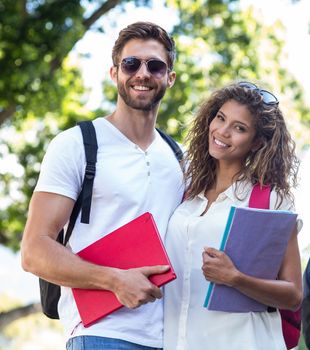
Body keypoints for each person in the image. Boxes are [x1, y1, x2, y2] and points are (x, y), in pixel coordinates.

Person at [21, 22, 184, 350]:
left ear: (170, 77)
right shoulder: (77, 144)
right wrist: (115, 281)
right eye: (130, 64)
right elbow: (34, 250)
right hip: (102, 335)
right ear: (114, 73)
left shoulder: (180, 159)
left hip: (174, 338)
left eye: (155, 65)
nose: (142, 73)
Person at [163, 81, 302, 349]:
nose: (222, 132)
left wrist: (235, 278)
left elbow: (294, 294)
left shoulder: (269, 200)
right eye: (221, 118)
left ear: (257, 141)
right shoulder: (185, 195)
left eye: (239, 128)